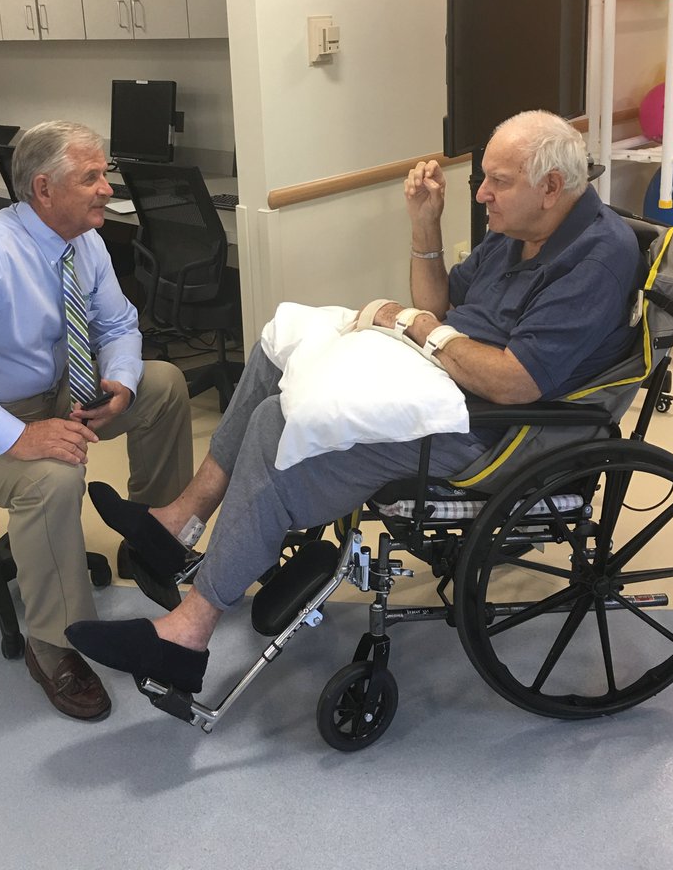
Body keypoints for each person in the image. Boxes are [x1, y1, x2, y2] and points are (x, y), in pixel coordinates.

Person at [66, 110, 641, 696]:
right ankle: (178, 521)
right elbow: (443, 309)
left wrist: (418, 329)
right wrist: (424, 228)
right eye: (483, 179)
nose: (483, 193)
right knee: (281, 352)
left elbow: (514, 382)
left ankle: (185, 635)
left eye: (499, 181)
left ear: (551, 188)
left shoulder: (594, 258)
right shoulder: (517, 233)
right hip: (443, 383)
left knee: (280, 422)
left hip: (493, 430)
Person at [0, 120, 193, 720]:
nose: (107, 187)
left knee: (163, 385)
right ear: (43, 189)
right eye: (91, 177)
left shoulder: (84, 240)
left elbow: (116, 326)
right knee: (51, 478)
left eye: (104, 173)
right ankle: (55, 645)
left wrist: (121, 381)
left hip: (45, 393)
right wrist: (17, 437)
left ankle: (151, 541)